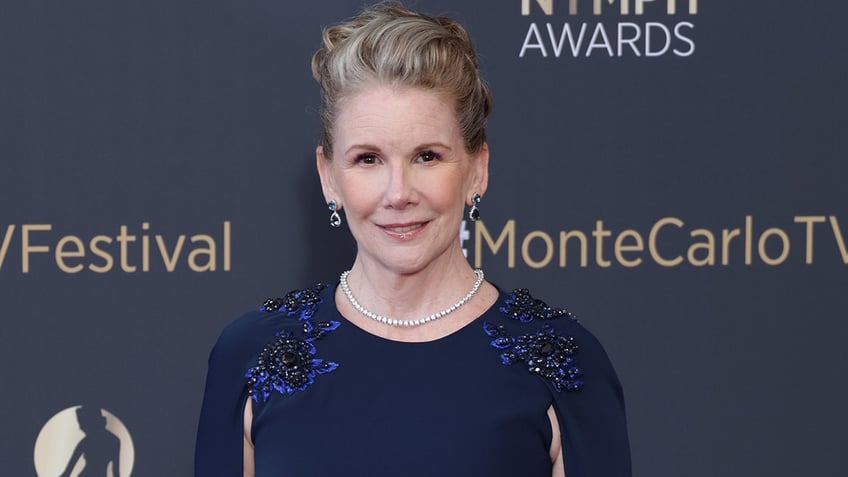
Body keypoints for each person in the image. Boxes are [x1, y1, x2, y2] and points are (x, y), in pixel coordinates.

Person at [195, 3, 631, 476]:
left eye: (427, 156)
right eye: (367, 159)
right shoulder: (250, 354)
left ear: (477, 169)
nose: (398, 194)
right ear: (328, 177)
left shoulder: (561, 359)